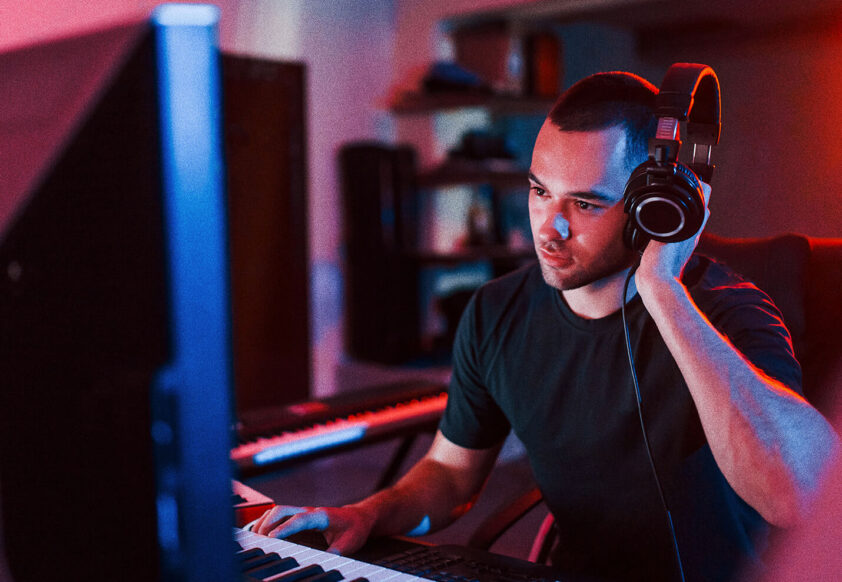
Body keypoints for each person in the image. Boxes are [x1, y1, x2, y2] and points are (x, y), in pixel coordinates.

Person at [253, 72, 840, 581]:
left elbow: (803, 497)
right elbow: (451, 475)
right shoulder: (495, 312)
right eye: (539, 191)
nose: (548, 228)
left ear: (651, 210)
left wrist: (663, 289)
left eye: (585, 204)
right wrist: (367, 513)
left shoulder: (729, 312)